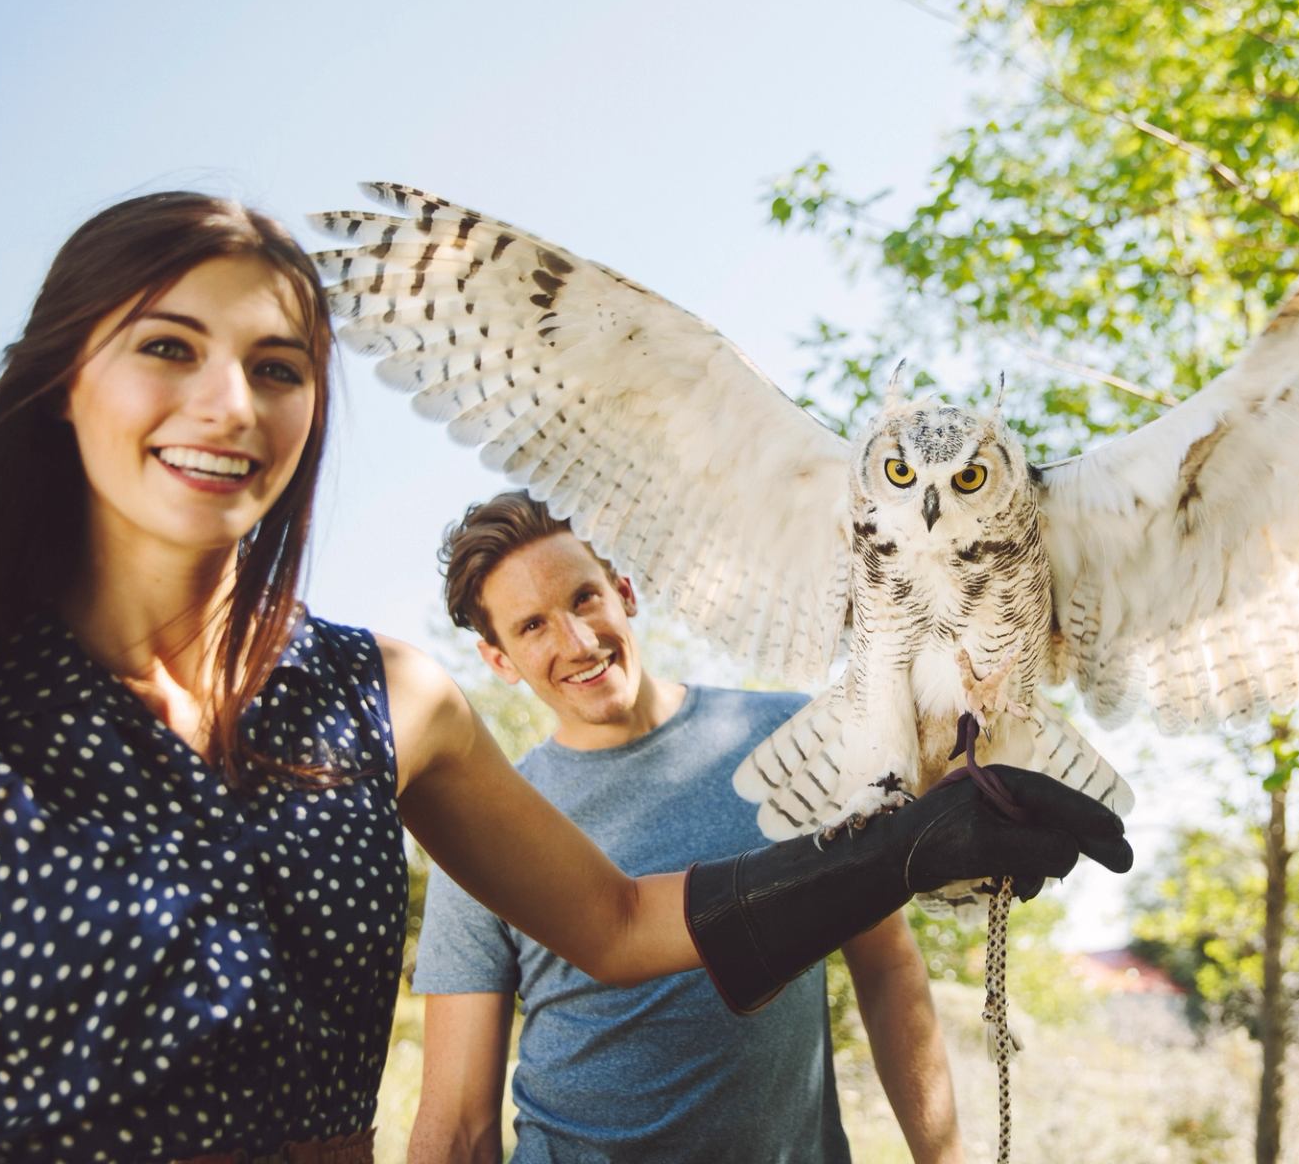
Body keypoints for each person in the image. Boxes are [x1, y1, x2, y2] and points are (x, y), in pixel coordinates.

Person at [0, 192, 1132, 1162]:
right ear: (64, 376)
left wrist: (902, 843)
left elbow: (617, 920)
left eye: (278, 366)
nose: (229, 403)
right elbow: (460, 1112)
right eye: (168, 345)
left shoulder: (384, 700)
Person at [409, 492, 961, 1163]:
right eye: (532, 627)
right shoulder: (484, 825)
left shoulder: (795, 741)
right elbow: (459, 1125)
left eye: (584, 598)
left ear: (624, 592)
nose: (577, 642)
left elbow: (888, 967)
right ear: (499, 662)